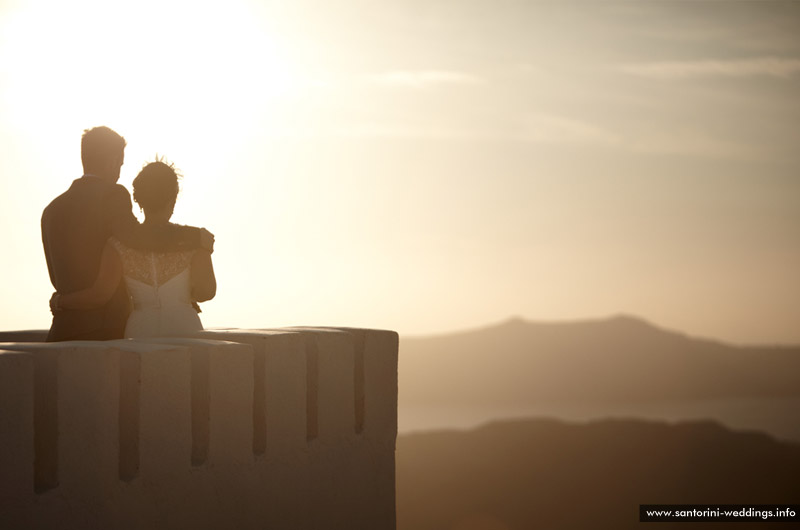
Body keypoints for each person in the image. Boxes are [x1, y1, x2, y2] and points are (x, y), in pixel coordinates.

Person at [42, 126, 213, 341]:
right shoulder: (112, 194)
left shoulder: (51, 210)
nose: (119, 171)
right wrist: (195, 237)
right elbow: (139, 238)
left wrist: (59, 301)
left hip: (63, 329)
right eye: (120, 164)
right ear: (114, 160)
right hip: (105, 329)